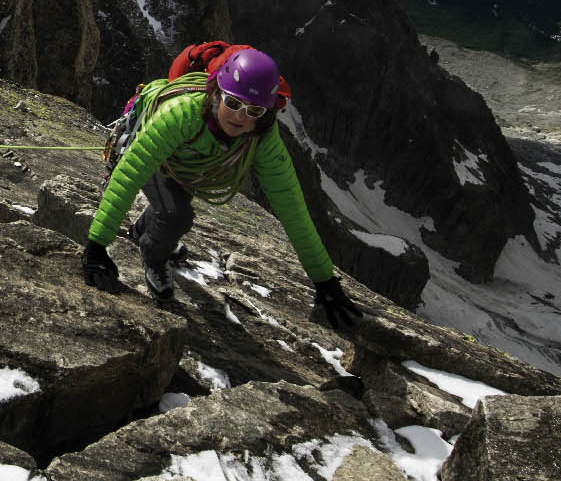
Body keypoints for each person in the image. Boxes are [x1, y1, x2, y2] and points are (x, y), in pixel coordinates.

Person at [81, 47, 363, 330]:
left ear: (265, 115)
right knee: (176, 216)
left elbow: (293, 209)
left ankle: (148, 230)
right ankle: (153, 256)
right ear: (216, 93)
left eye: (253, 110)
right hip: (156, 159)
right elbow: (131, 172)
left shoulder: (262, 138)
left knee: (171, 212)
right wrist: (96, 248)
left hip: (189, 164)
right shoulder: (183, 113)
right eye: (233, 103)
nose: (240, 117)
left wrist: (324, 281)